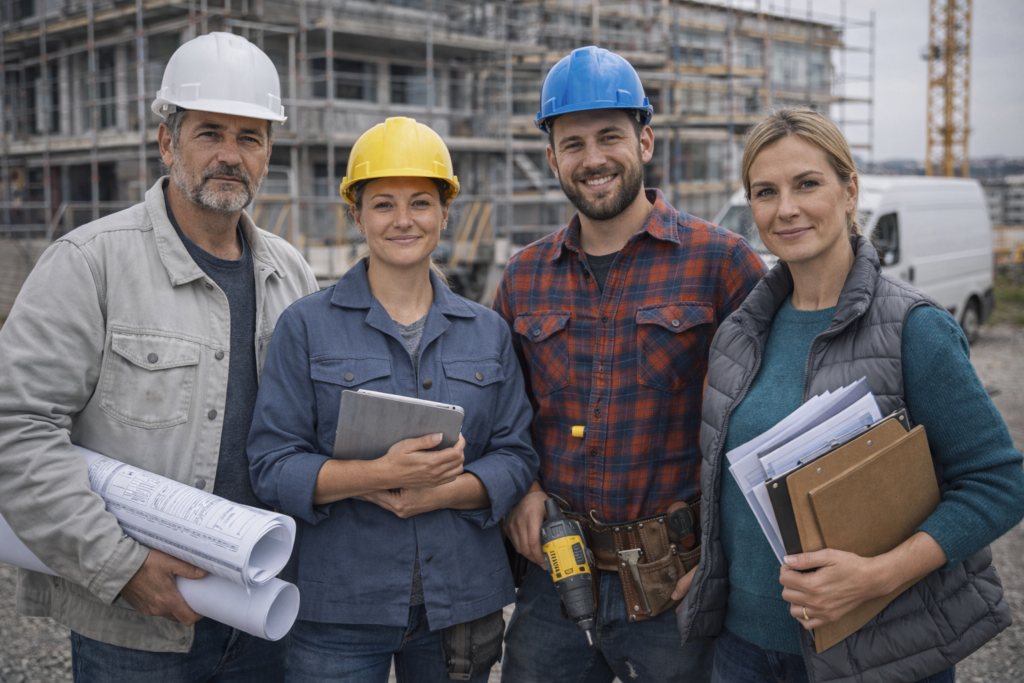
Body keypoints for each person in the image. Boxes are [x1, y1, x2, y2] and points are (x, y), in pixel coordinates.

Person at [0, 32, 318, 682]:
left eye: (251, 137)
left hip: (261, 610)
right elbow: (17, 429)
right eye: (210, 132)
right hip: (132, 627)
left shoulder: (290, 273)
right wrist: (120, 566)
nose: (231, 155)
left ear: (268, 154)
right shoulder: (90, 265)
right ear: (167, 141)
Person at [677, 107, 1024, 683]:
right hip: (743, 651)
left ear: (848, 189)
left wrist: (880, 575)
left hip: (879, 651)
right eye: (765, 191)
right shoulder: (739, 333)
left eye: (806, 184)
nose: (785, 208)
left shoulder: (914, 327)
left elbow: (999, 481)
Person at [495, 46, 767, 683]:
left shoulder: (722, 264)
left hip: (676, 585)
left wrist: (727, 562)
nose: (593, 159)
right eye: (573, 143)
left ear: (644, 141)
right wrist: (522, 492)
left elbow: (764, 426)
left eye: (610, 137)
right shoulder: (524, 277)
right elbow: (500, 416)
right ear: (552, 157)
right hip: (553, 584)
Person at [246, 116, 539, 683]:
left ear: (445, 212)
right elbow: (271, 465)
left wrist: (446, 492)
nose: (403, 221)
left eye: (420, 203)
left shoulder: (488, 331)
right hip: (338, 605)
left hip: (460, 602)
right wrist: (374, 475)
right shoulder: (305, 327)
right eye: (383, 204)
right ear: (356, 215)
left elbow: (516, 454)